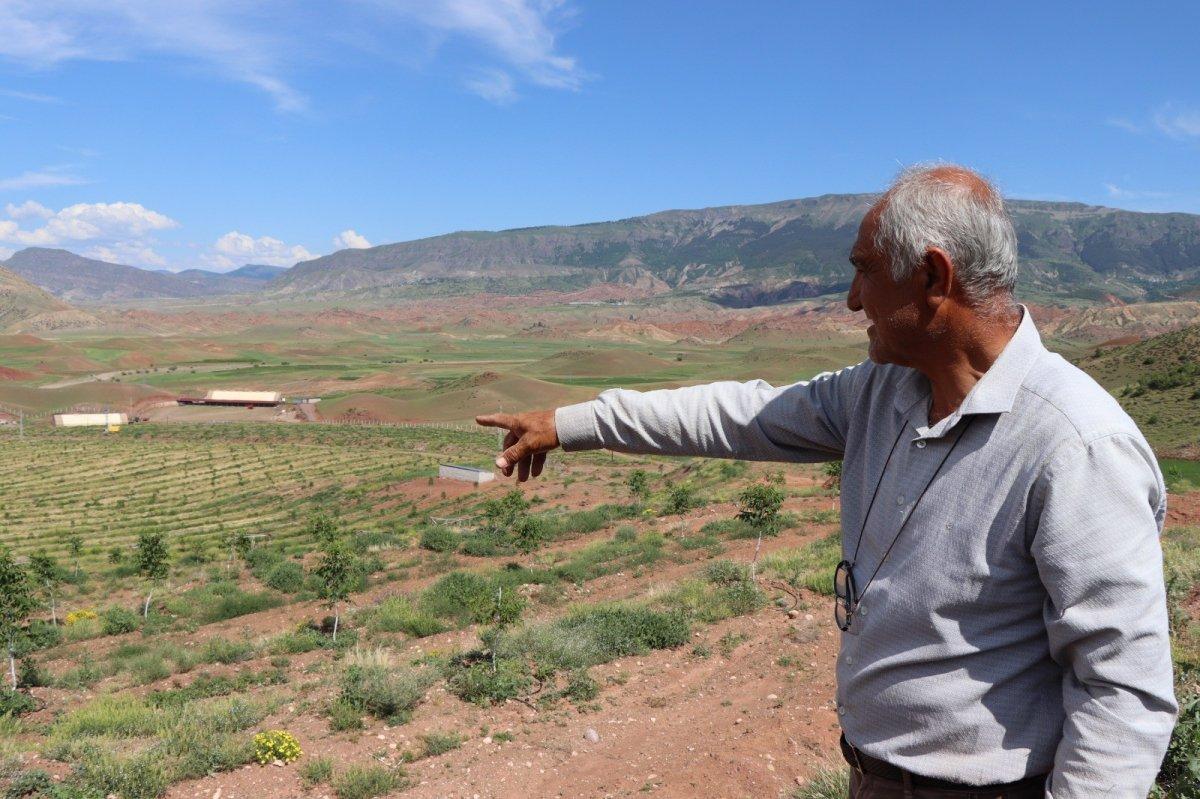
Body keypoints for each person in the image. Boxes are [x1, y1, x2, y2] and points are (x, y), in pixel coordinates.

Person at [476, 164, 1177, 798]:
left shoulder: (1077, 444)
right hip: (875, 777)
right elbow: (738, 414)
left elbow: (1123, 693)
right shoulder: (886, 390)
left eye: (864, 270)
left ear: (934, 279)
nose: (849, 299)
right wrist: (572, 422)